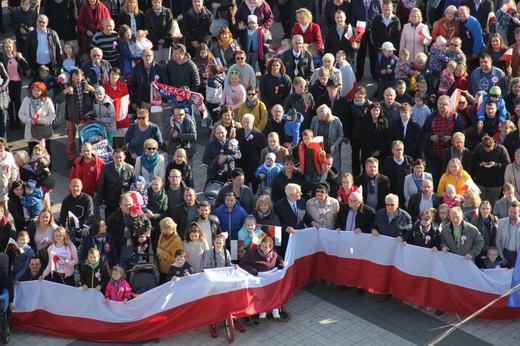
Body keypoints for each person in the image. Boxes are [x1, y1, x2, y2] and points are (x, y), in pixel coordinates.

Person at [55, 68, 95, 167]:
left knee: (85, 137)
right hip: (71, 117)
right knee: (70, 138)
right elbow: (58, 100)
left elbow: (97, 97)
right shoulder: (66, 85)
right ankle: (71, 158)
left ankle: (83, 156)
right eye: (74, 78)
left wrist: (92, 90)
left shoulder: (86, 84)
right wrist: (65, 92)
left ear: (83, 77)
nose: (76, 81)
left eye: (78, 79)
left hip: (85, 116)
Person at [239, 236, 284, 318]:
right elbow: (242, 264)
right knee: (262, 294)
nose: (263, 249)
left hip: (270, 279)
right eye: (262, 246)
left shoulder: (273, 254)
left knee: (274, 291)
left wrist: (281, 262)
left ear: (271, 248)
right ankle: (263, 309)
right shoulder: (251, 253)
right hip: (258, 279)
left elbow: (279, 257)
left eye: (266, 247)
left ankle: (275, 308)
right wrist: (252, 270)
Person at [18, 81, 55, 156]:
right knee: (32, 151)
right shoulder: (26, 100)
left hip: (43, 131)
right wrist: (30, 120)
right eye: (34, 90)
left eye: (39, 90)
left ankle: (47, 166)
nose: (36, 92)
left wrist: (41, 120)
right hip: (31, 131)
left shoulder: (47, 101)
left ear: (42, 91)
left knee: (46, 151)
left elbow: (52, 115)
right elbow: (21, 114)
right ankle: (33, 167)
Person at [96, 149, 135, 220]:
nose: (118, 159)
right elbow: (102, 185)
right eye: (116, 157)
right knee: (110, 222)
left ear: (124, 157)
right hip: (110, 201)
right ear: (112, 157)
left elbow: (133, 186)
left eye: (120, 157)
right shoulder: (107, 168)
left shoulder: (130, 168)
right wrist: (101, 201)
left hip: (125, 203)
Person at [274, 183, 309, 257]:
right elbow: (277, 222)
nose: (301, 193)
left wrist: (312, 222)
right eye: (298, 192)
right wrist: (286, 228)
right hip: (287, 239)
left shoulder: (302, 201)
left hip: (300, 237)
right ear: (291, 195)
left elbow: (304, 216)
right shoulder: (279, 205)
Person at [473, 135, 510, 206]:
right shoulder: (479, 148)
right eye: (485, 149)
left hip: (496, 184)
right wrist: (480, 163)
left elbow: (507, 164)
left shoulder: (501, 149)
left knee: (494, 204)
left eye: (489, 149)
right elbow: (473, 161)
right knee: (480, 204)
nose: (487, 151)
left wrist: (495, 165)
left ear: (494, 145)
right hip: (481, 182)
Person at [350, 0, 382, 80]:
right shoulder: (355, 2)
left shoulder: (377, 1)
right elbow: (353, 17)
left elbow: (380, 16)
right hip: (360, 31)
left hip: (373, 32)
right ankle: (359, 74)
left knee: (374, 54)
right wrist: (354, 32)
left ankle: (374, 74)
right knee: (360, 54)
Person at [1, 38, 29, 131]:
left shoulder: (17, 56)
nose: (8, 49)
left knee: (17, 101)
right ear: (4, 48)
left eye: (10, 47)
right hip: (7, 82)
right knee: (9, 101)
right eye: (6, 47)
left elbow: (26, 67)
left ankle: (18, 120)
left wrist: (21, 58)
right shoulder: (2, 58)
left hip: (17, 81)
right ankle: (11, 121)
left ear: (13, 47)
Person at [235, 113, 266, 190]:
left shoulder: (259, 135)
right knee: (243, 186)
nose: (245, 124)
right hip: (241, 164)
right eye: (244, 122)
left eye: (247, 122)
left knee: (255, 185)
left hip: (253, 166)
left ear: (252, 122)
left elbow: (262, 151)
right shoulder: (238, 132)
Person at [59, 179, 93, 243]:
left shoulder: (87, 199)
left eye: (77, 186)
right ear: (70, 187)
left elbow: (89, 214)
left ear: (81, 187)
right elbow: (62, 216)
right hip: (72, 229)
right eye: (73, 186)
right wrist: (61, 229)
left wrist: (85, 227)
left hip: (84, 230)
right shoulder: (66, 200)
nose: (75, 188)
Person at [380, 140, 413, 206]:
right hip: (392, 192)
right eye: (397, 149)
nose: (399, 151)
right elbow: (383, 177)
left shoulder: (409, 160)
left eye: (401, 149)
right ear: (392, 150)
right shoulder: (387, 161)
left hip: (406, 192)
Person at [156, 217, 183, 283]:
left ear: (167, 229)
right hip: (161, 267)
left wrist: (162, 253)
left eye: (162, 228)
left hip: (169, 270)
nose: (160, 229)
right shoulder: (162, 235)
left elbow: (175, 258)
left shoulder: (177, 241)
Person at [495, 202, 520, 268]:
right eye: (510, 211)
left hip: (517, 254)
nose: (512, 214)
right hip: (505, 252)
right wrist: (502, 257)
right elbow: (498, 240)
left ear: (519, 213)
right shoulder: (502, 222)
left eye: (515, 212)